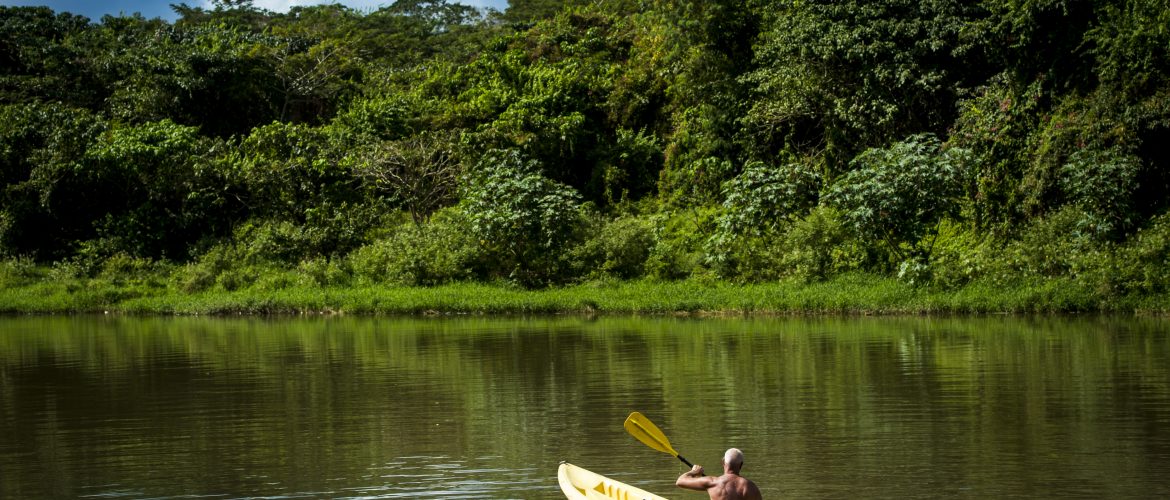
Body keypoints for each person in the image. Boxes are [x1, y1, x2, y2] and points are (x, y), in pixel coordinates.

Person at [675, 448, 762, 499]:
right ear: (741, 465)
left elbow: (680, 481)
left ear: (723, 462)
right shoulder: (751, 487)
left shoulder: (713, 483)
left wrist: (694, 472)